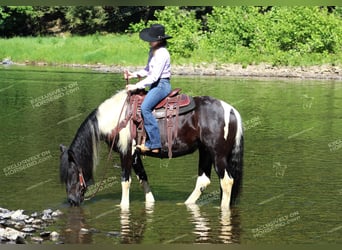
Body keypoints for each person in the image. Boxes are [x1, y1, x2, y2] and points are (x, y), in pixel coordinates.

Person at [125, 24, 172, 153]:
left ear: (160, 40)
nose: (150, 41)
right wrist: (134, 74)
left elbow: (155, 76)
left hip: (162, 85)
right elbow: (148, 70)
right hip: (155, 84)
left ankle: (154, 144)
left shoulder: (162, 54)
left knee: (145, 108)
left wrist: (136, 85)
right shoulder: (152, 51)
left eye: (152, 39)